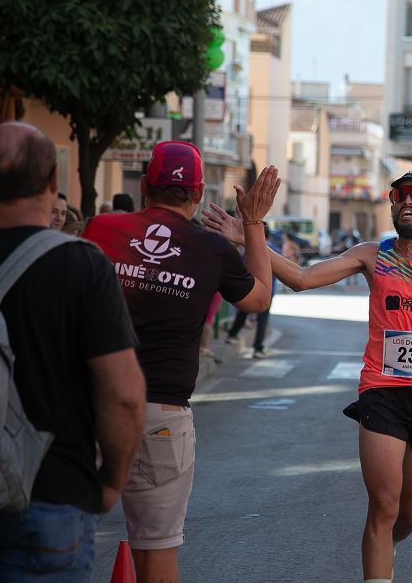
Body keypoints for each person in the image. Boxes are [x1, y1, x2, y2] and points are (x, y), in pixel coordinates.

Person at [202, 166, 412, 583]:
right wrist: (248, 235)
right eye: (398, 194)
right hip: (381, 391)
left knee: (409, 515)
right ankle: (379, 559)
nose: (405, 200)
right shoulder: (372, 254)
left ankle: (391, 543)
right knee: (383, 505)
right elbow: (302, 278)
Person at [0, 122, 146, 579]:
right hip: (52, 495)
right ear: (51, 183)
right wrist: (109, 481)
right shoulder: (81, 265)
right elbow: (122, 393)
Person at [83, 142, 279, 583]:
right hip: (162, 417)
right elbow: (261, 299)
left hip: (89, 406)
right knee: (155, 557)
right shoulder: (211, 250)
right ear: (198, 193)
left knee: (64, 537)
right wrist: (252, 222)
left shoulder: (99, 229)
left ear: (145, 186)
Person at [226, 224, 282, 358]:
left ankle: (232, 334)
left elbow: (241, 266)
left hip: (249, 288)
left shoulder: (249, 248)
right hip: (267, 291)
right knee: (262, 319)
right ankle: (258, 348)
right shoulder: (274, 250)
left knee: (243, 312)